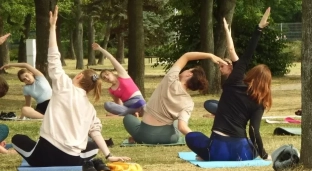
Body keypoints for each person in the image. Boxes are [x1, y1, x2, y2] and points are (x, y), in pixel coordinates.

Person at [12, 6, 130, 170]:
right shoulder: (90, 109)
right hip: (71, 161)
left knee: (18, 138)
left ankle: (88, 162)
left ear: (79, 76)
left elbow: (53, 56)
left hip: (45, 156)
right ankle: (93, 163)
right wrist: (109, 155)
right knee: (92, 146)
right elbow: (95, 132)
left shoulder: (63, 86)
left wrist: (52, 27)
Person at [185, 7, 272, 161]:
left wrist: (256, 28)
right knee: (252, 145)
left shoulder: (235, 80)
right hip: (241, 153)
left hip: (217, 148)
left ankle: (206, 154)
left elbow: (233, 50)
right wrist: (263, 155)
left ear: (251, 74)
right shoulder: (260, 102)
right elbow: (254, 131)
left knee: (192, 136)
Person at [123, 50, 227, 144]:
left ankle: (136, 137)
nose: (185, 70)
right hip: (169, 138)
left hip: (145, 136)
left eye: (188, 70)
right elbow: (182, 127)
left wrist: (210, 55)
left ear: (189, 74)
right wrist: (202, 140)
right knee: (178, 120)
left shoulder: (170, 79)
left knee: (128, 118)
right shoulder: (188, 102)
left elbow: (186, 56)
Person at [92, 43, 146, 117]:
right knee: (107, 104)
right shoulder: (111, 90)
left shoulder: (123, 75)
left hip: (137, 101)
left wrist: (100, 49)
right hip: (126, 106)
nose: (106, 77)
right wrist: (117, 110)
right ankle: (131, 113)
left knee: (141, 104)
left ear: (112, 73)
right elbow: (119, 104)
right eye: (104, 78)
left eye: (107, 74)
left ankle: (130, 113)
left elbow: (111, 58)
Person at [203, 18, 240, 117]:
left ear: (230, 66)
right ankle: (219, 113)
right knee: (209, 103)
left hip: (238, 107)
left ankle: (221, 114)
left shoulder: (237, 73)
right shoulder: (227, 80)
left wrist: (227, 30)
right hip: (229, 106)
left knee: (211, 104)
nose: (220, 69)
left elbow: (231, 49)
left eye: (222, 66)